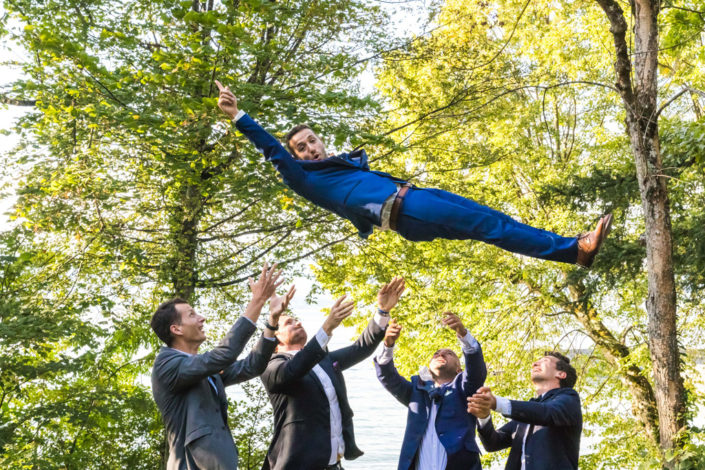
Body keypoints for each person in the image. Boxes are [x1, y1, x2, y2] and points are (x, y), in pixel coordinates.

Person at [215, 80, 612, 268]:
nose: (309, 148)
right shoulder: (303, 178)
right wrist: (238, 116)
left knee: (494, 222)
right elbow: (270, 148)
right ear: (296, 157)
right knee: (489, 225)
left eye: (312, 141)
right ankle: (572, 250)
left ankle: (573, 248)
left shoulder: (340, 167)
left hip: (414, 198)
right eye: (300, 148)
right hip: (406, 210)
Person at [151, 263, 294, 470]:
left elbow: (251, 366)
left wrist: (272, 322)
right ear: (176, 329)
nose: (202, 318)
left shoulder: (201, 368)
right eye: (192, 315)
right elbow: (224, 355)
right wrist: (257, 301)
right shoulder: (167, 365)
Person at [260, 276, 406, 470]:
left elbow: (360, 348)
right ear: (276, 341)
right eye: (289, 323)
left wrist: (382, 312)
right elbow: (294, 370)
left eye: (297, 320)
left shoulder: (324, 360)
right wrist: (327, 327)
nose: (298, 323)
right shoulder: (271, 366)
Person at [375, 312, 486, 470]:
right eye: (436, 354)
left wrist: (463, 334)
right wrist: (387, 345)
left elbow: (476, 371)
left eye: (449, 353)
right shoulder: (415, 390)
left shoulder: (465, 388)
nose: (441, 354)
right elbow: (388, 377)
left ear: (459, 370)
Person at [467, 351, 582, 470]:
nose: (534, 364)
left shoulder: (569, 398)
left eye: (545, 361)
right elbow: (492, 443)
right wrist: (484, 417)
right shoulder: (527, 414)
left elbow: (547, 412)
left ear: (561, 374)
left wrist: (497, 403)